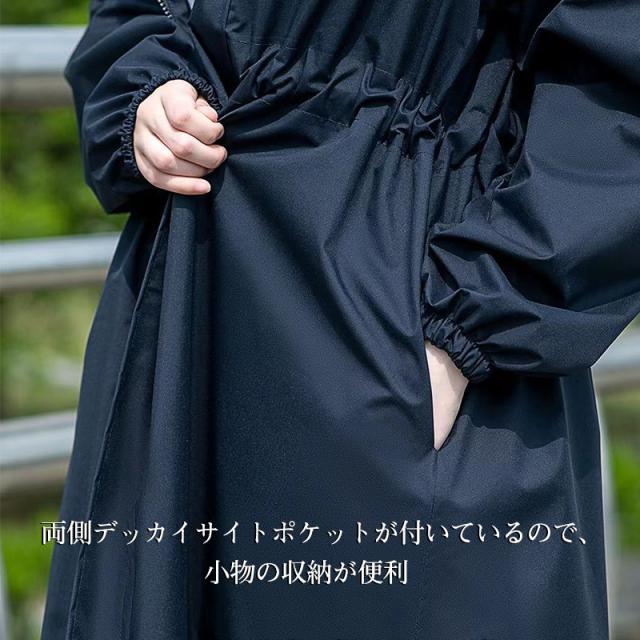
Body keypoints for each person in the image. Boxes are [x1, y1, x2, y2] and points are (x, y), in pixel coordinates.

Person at [42, 0, 639, 638]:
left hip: (407, 316)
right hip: (183, 309)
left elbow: (618, 75)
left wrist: (470, 324)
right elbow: (132, 15)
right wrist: (148, 92)